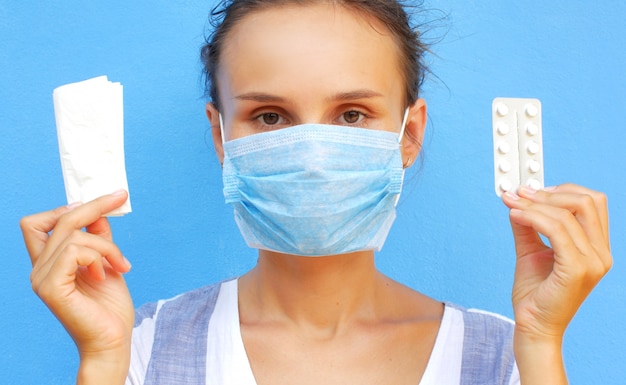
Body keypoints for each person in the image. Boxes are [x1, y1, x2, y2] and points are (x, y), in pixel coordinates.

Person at [20, 0, 612, 384]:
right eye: (271, 117)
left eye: (352, 115)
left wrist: (540, 342)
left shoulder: (505, 357)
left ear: (410, 134)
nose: (313, 155)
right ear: (220, 135)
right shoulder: (141, 351)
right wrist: (100, 359)